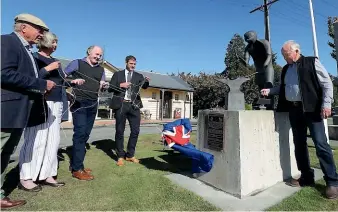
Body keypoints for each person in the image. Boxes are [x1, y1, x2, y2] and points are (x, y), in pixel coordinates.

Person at [261, 40, 338, 199]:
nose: (284, 57)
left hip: (312, 109)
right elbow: (283, 88)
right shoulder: (285, 69)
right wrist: (269, 91)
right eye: (282, 54)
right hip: (294, 110)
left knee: (321, 144)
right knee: (299, 145)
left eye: (286, 53)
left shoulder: (311, 62)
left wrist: (327, 104)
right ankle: (306, 176)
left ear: (296, 51)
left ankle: (332, 182)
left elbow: (327, 84)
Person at [1, 13, 55, 209]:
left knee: (5, 154)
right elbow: (4, 73)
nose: (41, 34)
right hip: (7, 110)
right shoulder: (7, 42)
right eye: (38, 29)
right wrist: (41, 84)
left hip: (19, 112)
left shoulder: (27, 50)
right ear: (24, 28)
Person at [18, 32, 85, 191]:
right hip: (39, 103)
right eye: (54, 42)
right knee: (35, 140)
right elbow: (29, 79)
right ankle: (26, 178)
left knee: (53, 142)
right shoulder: (35, 58)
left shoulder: (56, 61)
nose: (56, 45)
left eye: (56, 42)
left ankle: (48, 175)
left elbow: (61, 82)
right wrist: (47, 69)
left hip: (56, 103)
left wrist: (72, 83)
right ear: (45, 41)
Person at [64, 45, 107, 180]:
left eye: (100, 55)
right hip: (79, 104)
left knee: (85, 135)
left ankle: (78, 164)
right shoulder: (77, 63)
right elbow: (61, 78)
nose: (98, 57)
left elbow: (102, 85)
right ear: (89, 52)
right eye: (96, 54)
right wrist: (73, 81)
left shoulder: (101, 69)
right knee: (80, 133)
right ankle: (77, 169)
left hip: (93, 104)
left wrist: (103, 85)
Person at [108, 55, 150, 166]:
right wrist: (120, 85)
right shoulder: (117, 74)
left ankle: (130, 155)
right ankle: (120, 156)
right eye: (131, 64)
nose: (133, 66)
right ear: (126, 63)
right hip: (121, 104)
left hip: (134, 106)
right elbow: (110, 87)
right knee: (120, 131)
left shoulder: (138, 76)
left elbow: (144, 86)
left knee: (135, 131)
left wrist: (146, 81)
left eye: (135, 64)